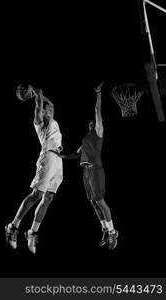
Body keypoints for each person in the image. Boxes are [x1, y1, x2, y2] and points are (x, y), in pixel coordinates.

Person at [5, 86, 63, 253]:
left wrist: (40, 94)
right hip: (47, 158)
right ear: (42, 111)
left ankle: (32, 232)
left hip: (58, 160)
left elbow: (49, 103)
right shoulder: (40, 120)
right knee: (36, 195)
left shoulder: (52, 119)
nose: (50, 109)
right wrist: (36, 93)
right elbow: (40, 104)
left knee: (48, 198)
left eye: (50, 108)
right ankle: (12, 227)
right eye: (46, 109)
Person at [61, 82, 118, 250]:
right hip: (86, 172)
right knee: (93, 203)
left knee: (100, 202)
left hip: (96, 170)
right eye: (90, 124)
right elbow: (77, 153)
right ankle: (105, 230)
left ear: (97, 124)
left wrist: (99, 94)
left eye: (94, 122)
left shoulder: (98, 133)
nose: (91, 124)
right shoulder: (86, 138)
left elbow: (97, 111)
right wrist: (62, 156)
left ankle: (113, 232)